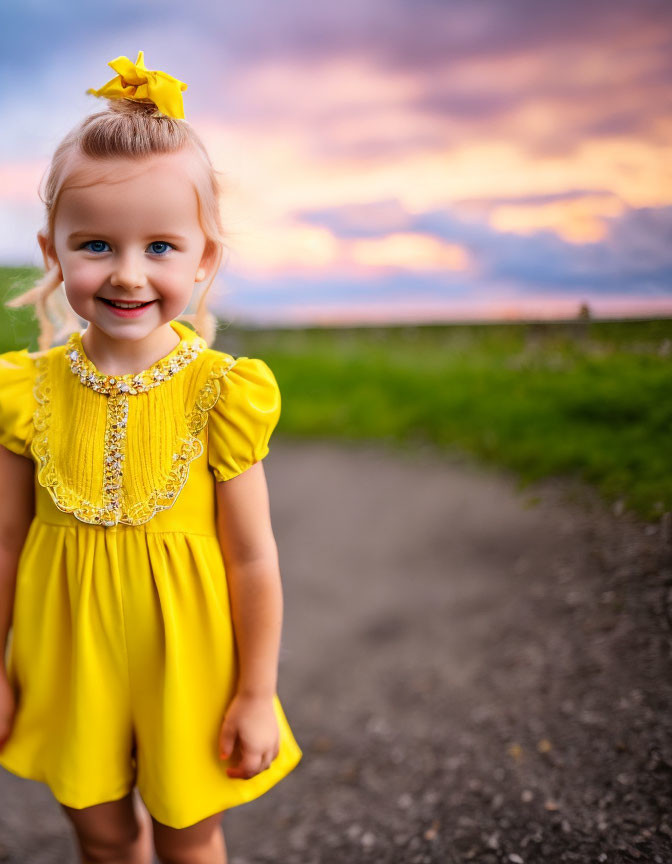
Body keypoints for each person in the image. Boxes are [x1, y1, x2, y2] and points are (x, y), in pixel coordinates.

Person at [0, 51, 302, 864]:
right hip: (67, 658)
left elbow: (251, 557)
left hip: (192, 664)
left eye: (161, 247)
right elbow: (3, 540)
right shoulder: (25, 391)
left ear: (203, 256)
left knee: (189, 832)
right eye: (96, 244)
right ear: (53, 252)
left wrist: (256, 691)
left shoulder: (223, 392)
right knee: (99, 832)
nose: (128, 274)